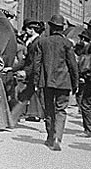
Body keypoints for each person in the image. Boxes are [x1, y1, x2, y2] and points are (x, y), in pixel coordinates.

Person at [33, 15, 79, 151]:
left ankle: (49, 137)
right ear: (62, 28)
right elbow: (73, 65)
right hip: (64, 82)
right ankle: (58, 137)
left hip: (46, 82)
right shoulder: (67, 43)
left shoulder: (42, 42)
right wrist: (75, 83)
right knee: (61, 110)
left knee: (49, 109)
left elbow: (37, 64)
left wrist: (36, 81)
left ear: (51, 27)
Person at [11, 19, 42, 123]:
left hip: (32, 72)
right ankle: (34, 115)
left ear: (32, 30)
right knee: (28, 94)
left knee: (24, 94)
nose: (26, 31)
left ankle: (16, 117)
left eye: (28, 29)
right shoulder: (32, 41)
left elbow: (34, 61)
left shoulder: (37, 42)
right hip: (31, 71)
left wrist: (26, 72)